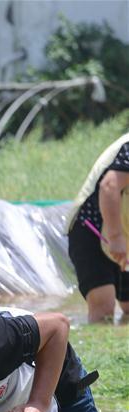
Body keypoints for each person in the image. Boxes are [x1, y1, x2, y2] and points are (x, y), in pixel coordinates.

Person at [66, 133, 129, 323]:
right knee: (104, 308)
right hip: (93, 228)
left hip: (124, 233)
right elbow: (109, 186)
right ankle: (103, 351)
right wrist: (116, 237)